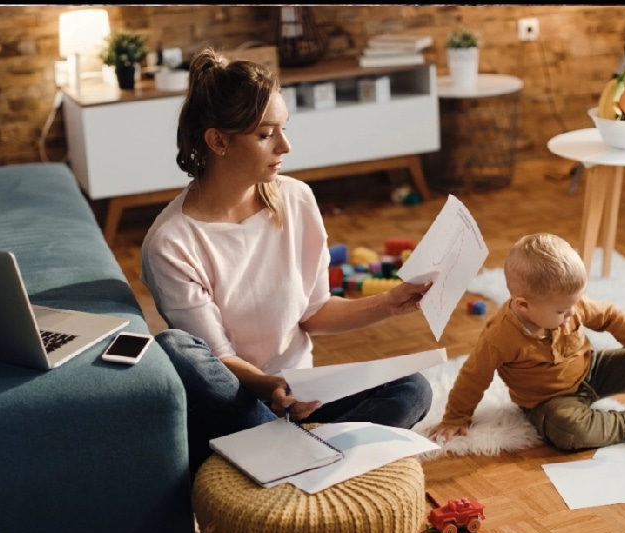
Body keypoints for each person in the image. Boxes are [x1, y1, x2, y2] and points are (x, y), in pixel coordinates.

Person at [141, 47, 433, 476]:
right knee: (176, 349)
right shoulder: (171, 242)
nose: (285, 145)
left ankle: (291, 459)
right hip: (238, 403)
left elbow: (314, 312)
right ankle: (313, 456)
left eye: (284, 128)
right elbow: (216, 361)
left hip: (302, 400)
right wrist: (270, 386)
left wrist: (389, 303)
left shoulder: (296, 200)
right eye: (266, 134)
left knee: (413, 389)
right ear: (218, 141)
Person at [428, 232, 625, 451]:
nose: (571, 314)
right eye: (561, 311)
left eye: (573, 305)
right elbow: (473, 376)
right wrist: (456, 417)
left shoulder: (570, 305)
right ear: (523, 305)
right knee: (568, 432)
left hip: (592, 369)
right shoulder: (498, 337)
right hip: (549, 401)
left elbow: (611, 316)